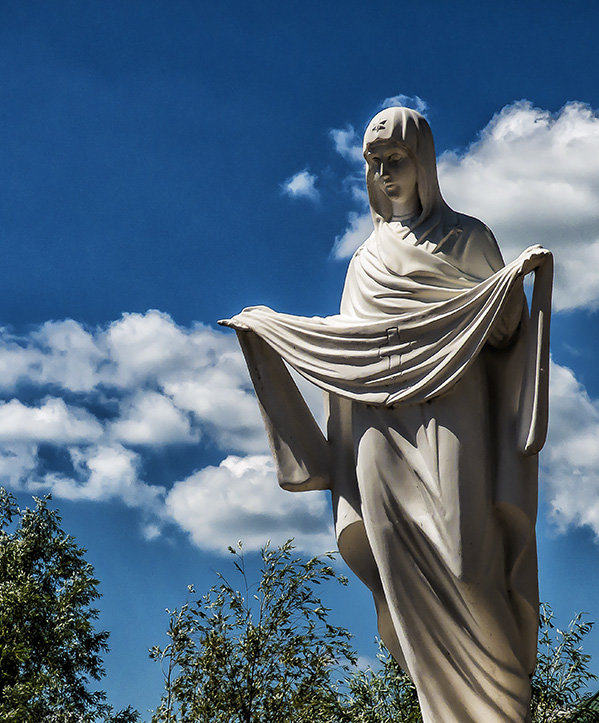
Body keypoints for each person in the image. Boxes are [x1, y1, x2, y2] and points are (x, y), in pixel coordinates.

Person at [221, 107, 553, 722]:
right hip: (378, 430)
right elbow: (352, 352)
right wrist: (273, 331)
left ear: (423, 163)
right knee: (400, 575)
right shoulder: (365, 260)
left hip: (452, 413)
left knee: (463, 559)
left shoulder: (467, 239)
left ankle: (503, 706)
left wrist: (511, 285)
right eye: (374, 164)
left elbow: (505, 333)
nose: (384, 173)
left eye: (394, 160)